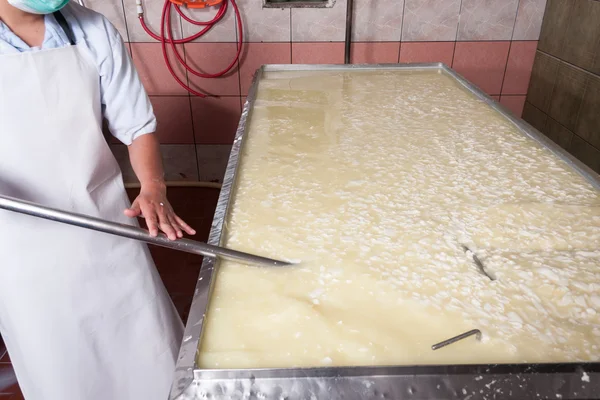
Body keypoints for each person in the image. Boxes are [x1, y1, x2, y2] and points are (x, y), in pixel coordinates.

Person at [0, 1, 196, 399]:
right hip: (19, 241)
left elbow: (136, 123)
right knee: (60, 360)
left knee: (148, 345)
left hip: (103, 218)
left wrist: (153, 186)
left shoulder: (89, 28)